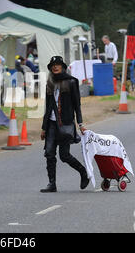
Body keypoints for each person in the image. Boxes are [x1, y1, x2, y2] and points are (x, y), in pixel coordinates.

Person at [40, 56, 90, 193]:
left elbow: (77, 105)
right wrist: (44, 127)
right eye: (53, 65)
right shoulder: (49, 83)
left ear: (62, 67)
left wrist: (80, 124)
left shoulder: (72, 82)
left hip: (65, 123)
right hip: (51, 124)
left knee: (64, 155)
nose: (55, 67)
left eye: (58, 65)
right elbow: (48, 106)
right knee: (49, 153)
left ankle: (83, 172)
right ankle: (52, 183)